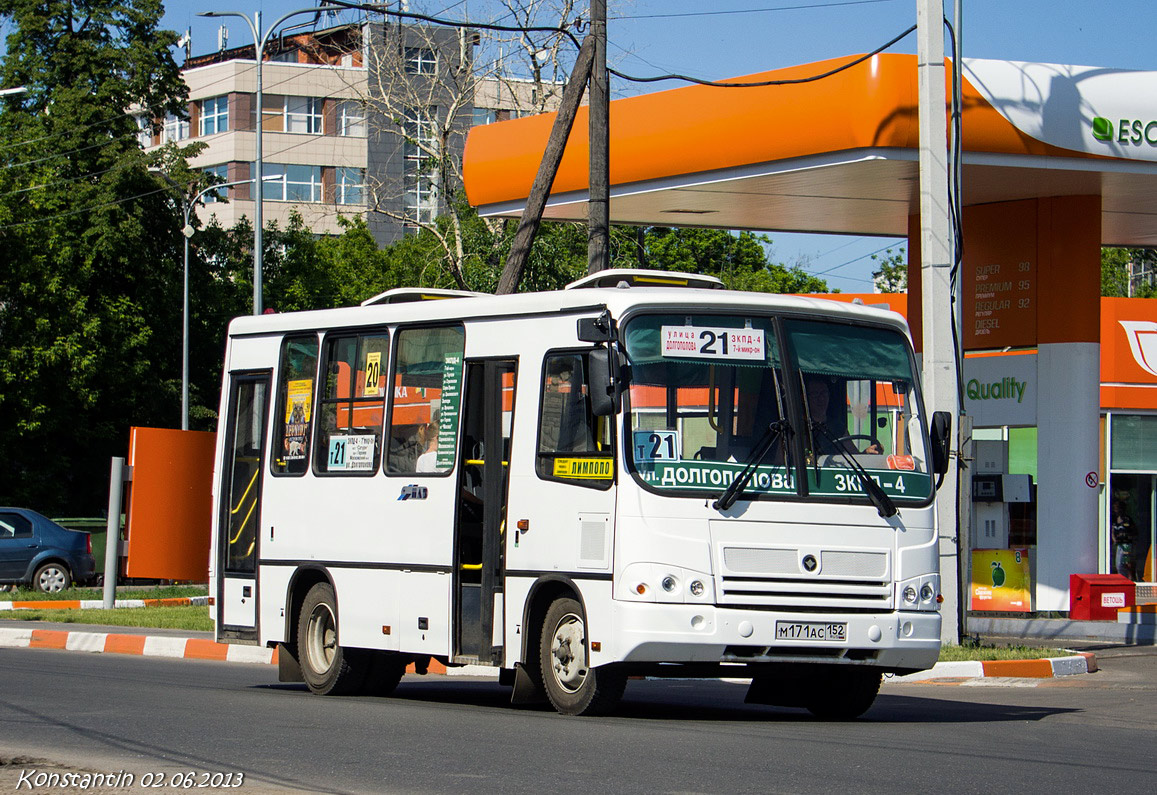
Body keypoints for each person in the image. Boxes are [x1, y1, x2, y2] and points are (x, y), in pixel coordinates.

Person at [803, 375, 882, 455]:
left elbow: (854, 455)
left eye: (824, 393)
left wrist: (866, 453)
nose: (821, 398)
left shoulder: (838, 427)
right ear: (805, 398)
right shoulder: (802, 428)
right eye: (815, 394)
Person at [1111, 500, 1137, 581]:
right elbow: (1113, 531)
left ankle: (1130, 579)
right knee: (1118, 564)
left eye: (1118, 508)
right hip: (1119, 545)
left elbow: (1134, 531)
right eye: (1115, 509)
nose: (1116, 511)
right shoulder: (1115, 520)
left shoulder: (1127, 519)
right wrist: (1114, 539)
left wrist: (1129, 537)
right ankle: (1122, 579)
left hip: (1126, 545)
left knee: (1126, 563)